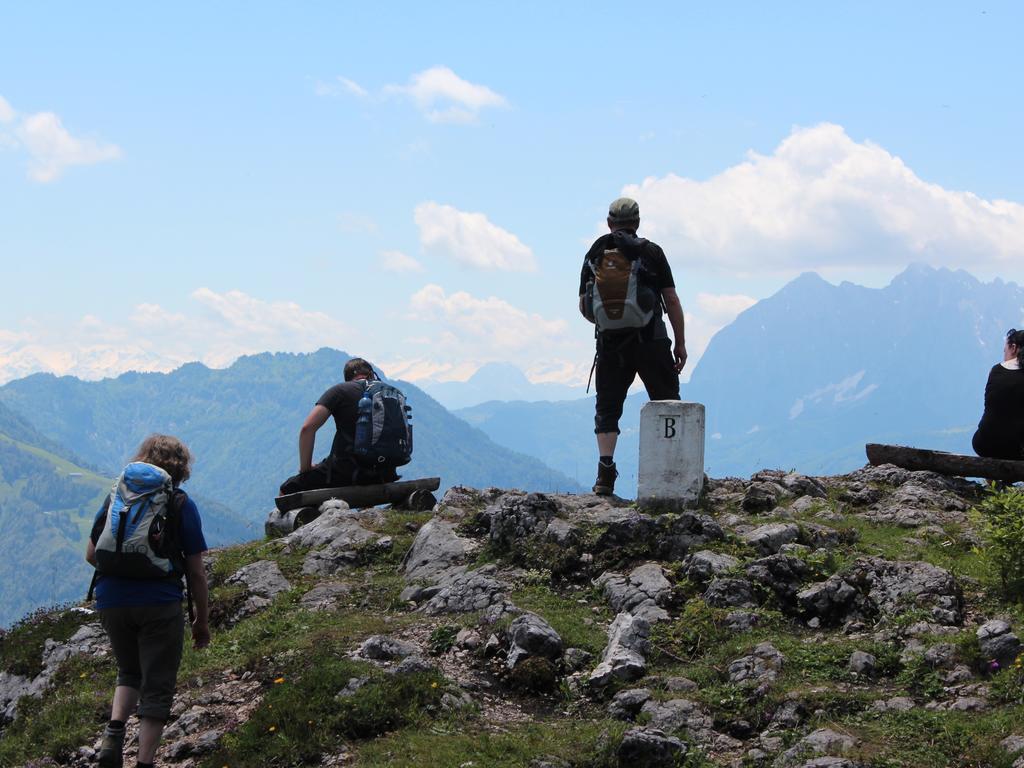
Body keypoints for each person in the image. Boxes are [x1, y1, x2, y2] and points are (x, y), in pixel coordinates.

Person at [86, 434, 210, 768]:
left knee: (129, 671)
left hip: (111, 599)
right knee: (156, 685)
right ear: (181, 467)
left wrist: (124, 572)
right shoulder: (181, 504)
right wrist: (202, 619)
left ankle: (113, 736)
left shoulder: (116, 499)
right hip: (159, 602)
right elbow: (196, 572)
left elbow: (91, 554)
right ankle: (144, 763)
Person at [579, 197, 687, 496]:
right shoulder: (651, 252)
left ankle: (604, 473)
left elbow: (584, 306)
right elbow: (672, 300)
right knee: (667, 402)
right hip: (651, 341)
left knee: (608, 409)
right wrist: (680, 342)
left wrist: (609, 323)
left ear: (609, 223)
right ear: (637, 222)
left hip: (611, 346)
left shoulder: (596, 252)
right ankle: (674, 471)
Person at [279, 357, 399, 495]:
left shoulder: (341, 391)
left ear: (347, 379)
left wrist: (305, 469)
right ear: (372, 374)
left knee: (287, 489)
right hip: (386, 473)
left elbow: (307, 429)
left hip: (348, 473)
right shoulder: (392, 393)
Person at [972, 328, 1024, 460]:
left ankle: (992, 478)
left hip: (984, 444)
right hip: (1017, 450)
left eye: (1004, 351)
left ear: (1013, 348)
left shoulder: (995, 370)